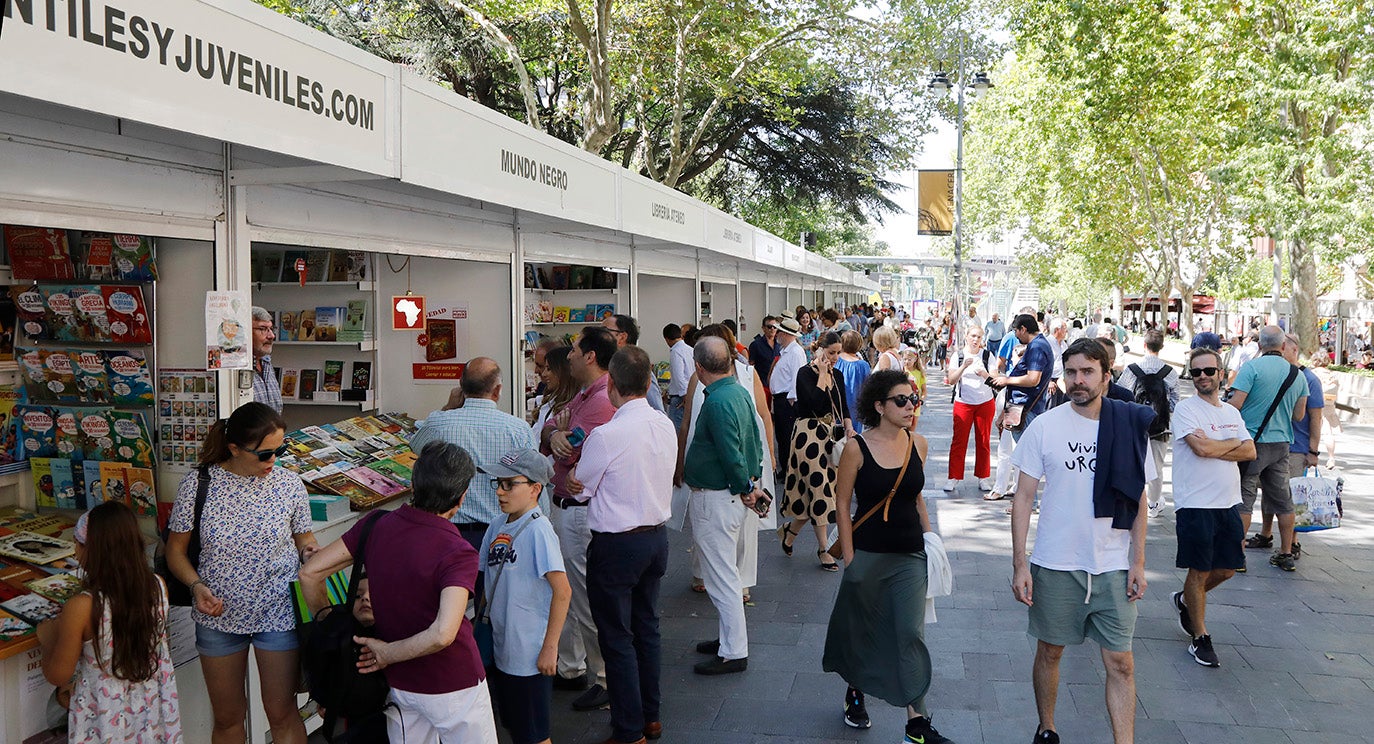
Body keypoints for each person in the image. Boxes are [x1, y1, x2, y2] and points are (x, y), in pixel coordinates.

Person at [300, 442, 497, 744]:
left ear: (413, 483)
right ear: (461, 497)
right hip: (454, 682)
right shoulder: (458, 552)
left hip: (399, 685)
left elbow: (310, 573)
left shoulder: (376, 525)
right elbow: (444, 633)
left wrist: (329, 621)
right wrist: (387, 654)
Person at [1009, 338, 1156, 744]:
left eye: (1088, 372)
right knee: (1050, 652)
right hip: (1056, 562)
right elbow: (1023, 497)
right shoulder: (1045, 426)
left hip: (1112, 565)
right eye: (1071, 372)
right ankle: (1048, 728)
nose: (1078, 380)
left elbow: (1139, 498)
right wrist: (1020, 563)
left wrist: (1138, 561)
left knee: (1121, 663)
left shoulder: (1127, 425)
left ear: (1106, 377)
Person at [166, 402, 316, 744]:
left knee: (282, 713)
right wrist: (196, 586)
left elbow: (304, 540)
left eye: (280, 450)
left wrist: (311, 552)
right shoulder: (198, 485)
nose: (273, 461)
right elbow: (175, 552)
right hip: (217, 615)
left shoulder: (289, 485)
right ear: (234, 448)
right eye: (264, 454)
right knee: (229, 717)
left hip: (277, 612)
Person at [824, 370, 950, 743]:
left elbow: (915, 496)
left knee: (910, 633)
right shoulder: (855, 448)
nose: (910, 406)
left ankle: (917, 723)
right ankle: (856, 692)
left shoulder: (919, 444)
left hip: (910, 556)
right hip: (867, 553)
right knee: (863, 632)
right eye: (901, 400)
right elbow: (843, 503)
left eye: (913, 399)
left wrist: (930, 539)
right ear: (879, 406)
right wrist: (850, 560)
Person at [572, 346, 677, 744]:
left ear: (611, 384)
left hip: (616, 544)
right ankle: (650, 715)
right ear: (649, 382)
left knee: (615, 637)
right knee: (646, 629)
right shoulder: (663, 424)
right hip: (656, 538)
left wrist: (576, 482)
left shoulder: (607, 434)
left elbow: (581, 488)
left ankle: (629, 728)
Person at [38, 501, 182, 742]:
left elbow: (58, 675)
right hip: (149, 712)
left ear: (89, 551)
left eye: (77, 543)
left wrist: (46, 638)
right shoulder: (157, 587)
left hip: (104, 717)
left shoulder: (83, 606)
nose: (75, 550)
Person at [540, 326, 618, 708]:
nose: (566, 355)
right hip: (566, 507)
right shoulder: (585, 394)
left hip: (579, 511)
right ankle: (572, 666)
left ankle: (603, 677)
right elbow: (552, 430)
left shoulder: (600, 399)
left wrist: (560, 436)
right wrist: (558, 432)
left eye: (573, 350)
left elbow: (571, 450)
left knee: (585, 597)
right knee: (570, 592)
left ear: (589, 356)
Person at [674, 324, 776, 602]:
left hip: (742, 462)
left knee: (743, 526)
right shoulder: (699, 378)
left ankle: (741, 581)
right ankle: (703, 573)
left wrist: (770, 452)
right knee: (705, 523)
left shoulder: (746, 375)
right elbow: (686, 424)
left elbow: (764, 416)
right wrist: (680, 461)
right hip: (708, 459)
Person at [683, 336, 766, 676]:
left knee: (721, 578)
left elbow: (730, 451)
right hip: (728, 497)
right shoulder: (738, 392)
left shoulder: (716, 402)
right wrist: (751, 483)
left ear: (699, 368)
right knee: (725, 574)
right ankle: (728, 640)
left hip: (716, 497)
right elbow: (754, 441)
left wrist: (744, 485)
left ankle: (733, 651)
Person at [1169, 348, 1255, 668]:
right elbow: (1201, 448)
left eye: (1208, 371)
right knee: (1200, 569)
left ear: (1222, 373)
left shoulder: (1231, 413)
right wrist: (1230, 444)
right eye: (1196, 372)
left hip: (1229, 501)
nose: (1202, 376)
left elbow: (1250, 451)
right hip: (1195, 503)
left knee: (1228, 568)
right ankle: (1200, 637)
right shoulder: (1186, 410)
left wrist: (1220, 447)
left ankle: (1186, 600)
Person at [480, 449, 571, 744]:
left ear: (535, 489)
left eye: (509, 484)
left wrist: (550, 647)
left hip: (529, 652)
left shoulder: (539, 530)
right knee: (516, 727)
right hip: (502, 645)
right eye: (498, 482)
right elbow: (485, 580)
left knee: (534, 733)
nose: (500, 491)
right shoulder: (496, 525)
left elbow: (562, 591)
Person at [409, 358, 540, 550]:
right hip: (502, 532)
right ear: (497, 390)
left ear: (461, 387)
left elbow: (416, 446)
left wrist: (448, 408)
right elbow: (535, 478)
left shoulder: (440, 422)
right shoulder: (518, 429)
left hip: (451, 531)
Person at [1228, 325, 1308, 572]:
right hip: (1281, 444)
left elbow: (1236, 405)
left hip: (1251, 444)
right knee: (1283, 500)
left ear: (1260, 345)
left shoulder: (1251, 368)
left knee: (1244, 499)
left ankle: (1237, 556)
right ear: (1284, 346)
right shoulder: (1298, 375)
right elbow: (1299, 415)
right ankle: (1285, 553)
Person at [778, 331, 853, 572]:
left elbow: (843, 405)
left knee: (818, 492)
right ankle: (824, 549)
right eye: (831, 353)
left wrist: (850, 427)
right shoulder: (804, 373)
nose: (835, 358)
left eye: (838, 353)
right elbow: (812, 404)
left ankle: (790, 532)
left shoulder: (838, 374)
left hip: (830, 436)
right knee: (820, 490)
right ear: (819, 350)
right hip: (808, 435)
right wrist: (822, 374)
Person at [1117, 329, 1180, 518]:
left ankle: (1132, 499)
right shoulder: (1170, 373)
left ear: (1144, 345)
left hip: (1134, 425)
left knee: (1132, 463)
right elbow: (1175, 402)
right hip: (1160, 427)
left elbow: (1121, 394)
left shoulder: (1132, 369)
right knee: (1157, 468)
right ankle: (1153, 503)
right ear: (1162, 347)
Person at [946, 326, 996, 493]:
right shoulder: (958, 356)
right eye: (973, 336)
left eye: (979, 337)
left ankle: (983, 477)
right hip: (963, 402)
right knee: (959, 441)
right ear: (966, 336)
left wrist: (984, 374)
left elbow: (996, 380)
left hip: (985, 402)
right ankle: (954, 477)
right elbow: (951, 380)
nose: (976, 340)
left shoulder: (988, 356)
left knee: (983, 441)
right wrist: (963, 367)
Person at [991, 314, 1054, 438]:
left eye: (1016, 331)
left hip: (1026, 408)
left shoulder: (1037, 347)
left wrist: (1007, 380)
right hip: (1020, 407)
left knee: (1025, 452)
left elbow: (1033, 379)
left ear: (1023, 329)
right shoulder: (1037, 345)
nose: (1015, 335)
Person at [603, 314, 666, 413]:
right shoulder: (608, 365)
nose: (598, 336)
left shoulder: (638, 368)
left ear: (622, 337)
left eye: (604, 331)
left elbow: (657, 411)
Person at [769, 317, 807, 474]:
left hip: (787, 401)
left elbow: (797, 379)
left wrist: (792, 401)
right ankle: (785, 469)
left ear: (785, 334)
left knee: (787, 437)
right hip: (781, 399)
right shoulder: (787, 351)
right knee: (782, 437)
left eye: (779, 331)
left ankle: (789, 470)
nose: (776, 334)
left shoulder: (795, 352)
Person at [530, 346, 577, 437]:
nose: (544, 374)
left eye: (549, 369)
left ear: (562, 372)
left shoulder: (574, 406)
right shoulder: (547, 401)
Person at [835, 331, 873, 434]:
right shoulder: (863, 365)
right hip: (855, 406)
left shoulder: (836, 360)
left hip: (836, 404)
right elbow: (868, 387)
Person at [1309, 351, 1341, 468]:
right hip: (1329, 405)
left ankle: (1312, 452)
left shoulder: (1313, 374)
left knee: (1312, 429)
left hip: (1314, 405)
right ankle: (1331, 458)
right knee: (1328, 433)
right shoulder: (1332, 375)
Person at [249, 306, 282, 413]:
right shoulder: (236, 367)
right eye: (263, 329)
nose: (271, 336)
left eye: (271, 329)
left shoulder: (266, 363)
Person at [663, 323, 693, 429]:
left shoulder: (676, 352)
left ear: (666, 339)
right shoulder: (690, 349)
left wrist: (685, 396)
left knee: (677, 430)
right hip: (691, 393)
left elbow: (679, 377)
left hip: (680, 397)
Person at [748, 315, 780, 396]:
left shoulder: (780, 344)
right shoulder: (756, 345)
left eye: (774, 327)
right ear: (763, 328)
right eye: (769, 327)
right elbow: (751, 365)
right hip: (762, 384)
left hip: (778, 384)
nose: (772, 329)